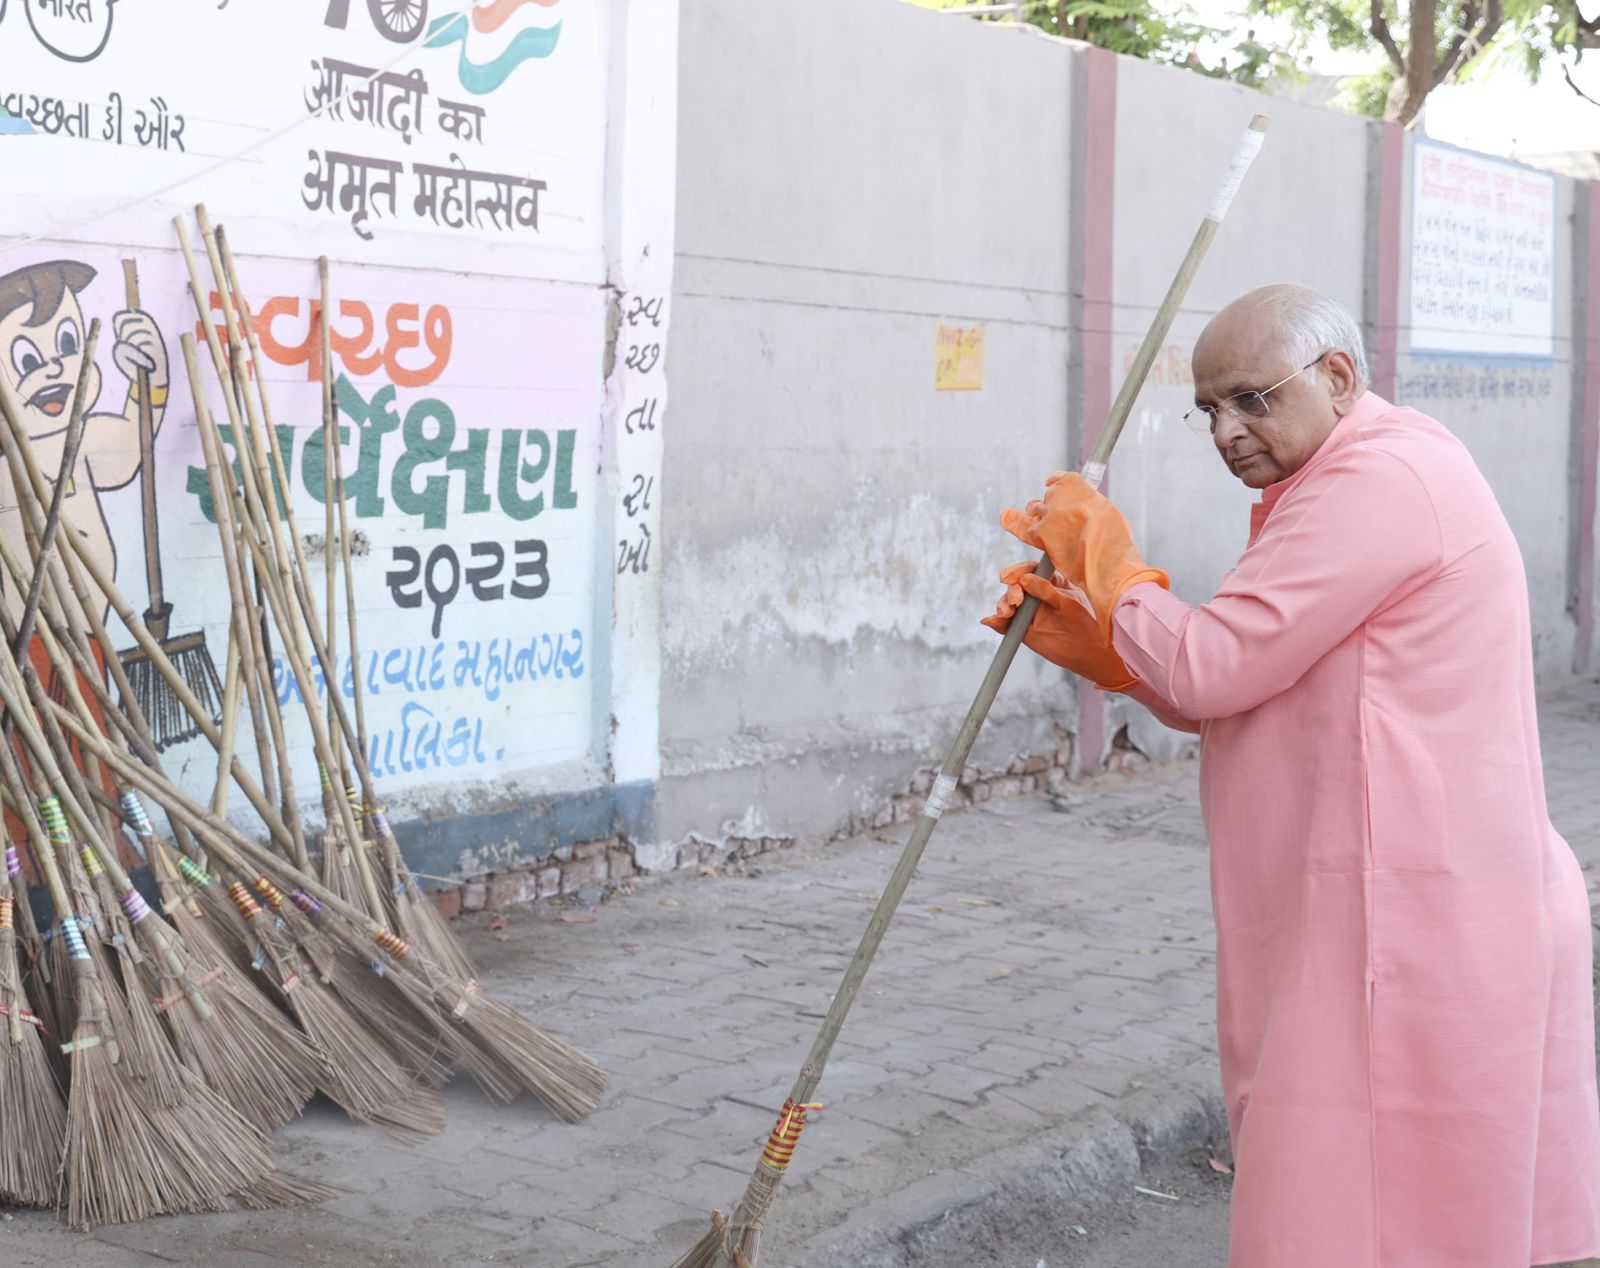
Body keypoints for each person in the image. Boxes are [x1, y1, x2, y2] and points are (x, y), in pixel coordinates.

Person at [985, 284, 1600, 1268]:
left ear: (1337, 377)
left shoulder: (1381, 482)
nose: (1227, 431)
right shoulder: (1338, 479)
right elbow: (1238, 677)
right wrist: (1112, 653)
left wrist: (1113, 571)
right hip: (1391, 905)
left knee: (1360, 1214)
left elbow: (1213, 664)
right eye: (1209, 410)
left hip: (1406, 929)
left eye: (1251, 399)